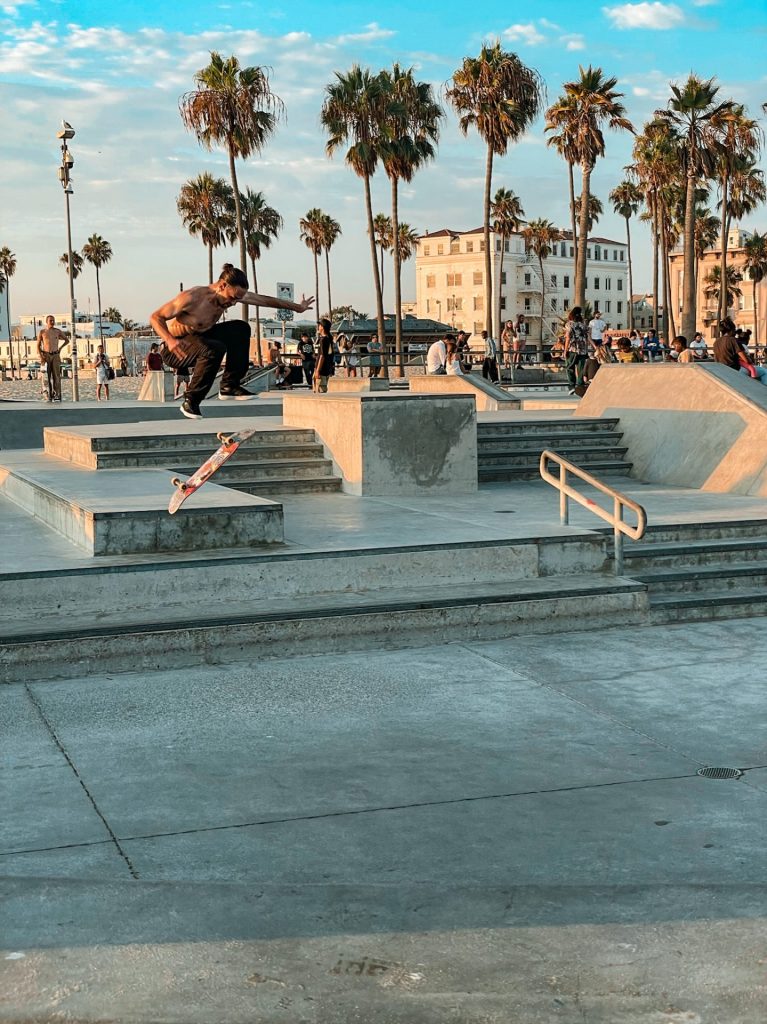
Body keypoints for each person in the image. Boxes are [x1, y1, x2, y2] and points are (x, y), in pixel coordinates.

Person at [149, 264, 314, 419]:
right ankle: (191, 400)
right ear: (222, 286)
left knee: (241, 328)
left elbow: (265, 301)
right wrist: (169, 340)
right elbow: (156, 317)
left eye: (238, 300)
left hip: (201, 339)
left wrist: (297, 308)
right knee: (214, 348)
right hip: (175, 349)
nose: (233, 303)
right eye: (232, 298)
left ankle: (229, 386)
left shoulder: (232, 293)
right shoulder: (193, 297)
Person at [714, 318, 767, 385]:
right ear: (731, 330)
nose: (735, 332)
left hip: (722, 371)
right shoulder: (733, 340)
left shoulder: (716, 342)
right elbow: (746, 360)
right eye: (734, 330)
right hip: (736, 370)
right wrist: (751, 362)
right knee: (765, 371)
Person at [36, 315, 69, 402]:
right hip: (46, 355)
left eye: (53, 320)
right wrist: (41, 356)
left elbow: (66, 340)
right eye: (50, 320)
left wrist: (60, 349)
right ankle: (47, 394)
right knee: (46, 376)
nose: (52, 322)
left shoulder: (57, 331)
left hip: (55, 355)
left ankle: (56, 393)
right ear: (46, 322)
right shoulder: (42, 332)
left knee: (56, 376)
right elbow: (38, 345)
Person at [563, 306, 588, 394]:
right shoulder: (584, 324)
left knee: (570, 367)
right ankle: (580, 386)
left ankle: (572, 386)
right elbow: (587, 337)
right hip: (583, 349)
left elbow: (568, 337)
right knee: (581, 369)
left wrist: (565, 350)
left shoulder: (569, 324)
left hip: (572, 349)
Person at [313, 318, 336, 393]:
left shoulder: (323, 339)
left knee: (321, 390)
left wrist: (318, 370)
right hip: (326, 367)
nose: (318, 327)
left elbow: (322, 356)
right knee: (321, 389)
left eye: (319, 325)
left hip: (322, 369)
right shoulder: (328, 338)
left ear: (322, 327)